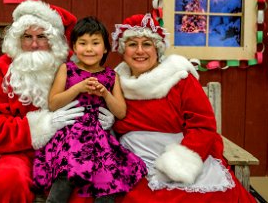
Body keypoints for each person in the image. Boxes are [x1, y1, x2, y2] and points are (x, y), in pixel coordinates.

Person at [106, 13, 257, 202]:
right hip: (132, 159)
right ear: (123, 50)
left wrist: (180, 163)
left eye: (146, 44)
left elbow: (203, 126)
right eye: (132, 44)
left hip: (180, 153)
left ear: (157, 49)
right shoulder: (113, 81)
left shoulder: (179, 78)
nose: (139, 51)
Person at [0, 0, 115, 203]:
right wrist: (43, 125)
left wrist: (106, 120)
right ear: (17, 39)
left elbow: (95, 101)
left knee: (88, 184)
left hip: (67, 151)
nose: (33, 44)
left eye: (41, 37)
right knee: (8, 181)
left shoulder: (74, 68)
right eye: (27, 37)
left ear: (53, 40)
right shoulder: (0, 70)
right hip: (16, 153)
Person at [33, 16, 147, 203]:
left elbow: (120, 112)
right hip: (70, 135)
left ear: (105, 49)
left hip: (99, 138)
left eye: (95, 43)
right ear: (74, 48)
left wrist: (105, 94)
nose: (89, 49)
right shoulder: (67, 70)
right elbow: (53, 103)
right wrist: (78, 88)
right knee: (68, 164)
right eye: (83, 43)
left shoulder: (111, 76)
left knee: (108, 171)